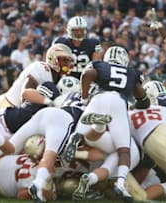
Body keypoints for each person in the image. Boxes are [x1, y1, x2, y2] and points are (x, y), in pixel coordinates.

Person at [63, 46, 150, 202]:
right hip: (119, 102)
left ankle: (76, 137)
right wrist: (139, 104)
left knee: (84, 129)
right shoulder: (132, 72)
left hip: (99, 97)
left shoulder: (100, 65)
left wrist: (83, 96)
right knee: (124, 151)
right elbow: (143, 99)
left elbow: (86, 74)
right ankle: (121, 184)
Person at [0, 43, 74, 109]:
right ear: (53, 59)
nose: (68, 64)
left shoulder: (61, 78)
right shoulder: (40, 68)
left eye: (69, 61)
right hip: (7, 106)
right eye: (65, 60)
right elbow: (25, 97)